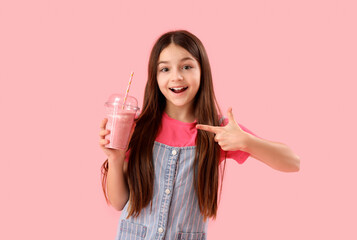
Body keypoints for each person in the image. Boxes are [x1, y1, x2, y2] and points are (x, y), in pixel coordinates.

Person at [99, 30, 300, 240]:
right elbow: (119, 202)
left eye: (187, 66)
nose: (176, 76)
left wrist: (246, 142)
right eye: (165, 69)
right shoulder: (138, 128)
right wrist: (115, 158)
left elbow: (293, 162)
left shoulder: (219, 130)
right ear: (155, 76)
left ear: (202, 71)